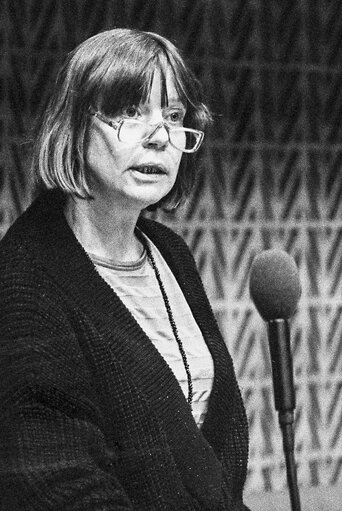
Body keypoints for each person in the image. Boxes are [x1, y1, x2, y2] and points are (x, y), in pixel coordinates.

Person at [0, 28, 250, 510]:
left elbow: (210, 451)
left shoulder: (170, 252)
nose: (160, 136)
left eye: (174, 116)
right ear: (73, 126)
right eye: (131, 111)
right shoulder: (24, 278)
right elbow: (52, 482)